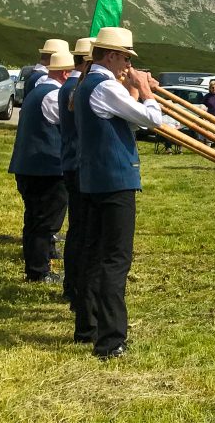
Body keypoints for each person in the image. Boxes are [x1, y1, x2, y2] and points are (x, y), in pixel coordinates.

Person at [73, 27, 162, 360]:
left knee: (95, 255)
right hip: (115, 182)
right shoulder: (106, 85)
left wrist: (134, 90)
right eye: (125, 57)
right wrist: (144, 89)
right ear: (110, 56)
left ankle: (89, 328)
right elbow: (151, 120)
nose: (127, 63)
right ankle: (110, 341)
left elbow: (129, 121)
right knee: (115, 259)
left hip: (96, 179)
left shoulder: (89, 84)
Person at [8, 49, 73, 283]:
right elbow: (69, 124)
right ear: (65, 73)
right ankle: (39, 271)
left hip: (30, 166)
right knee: (46, 222)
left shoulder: (39, 91)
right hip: (46, 168)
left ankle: (37, 268)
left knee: (35, 220)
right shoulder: (53, 95)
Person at [59, 38, 94, 303]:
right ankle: (75, 287)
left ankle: (72, 285)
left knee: (77, 230)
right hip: (79, 163)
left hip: (72, 161)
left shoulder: (72, 85)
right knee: (82, 231)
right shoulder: (80, 87)